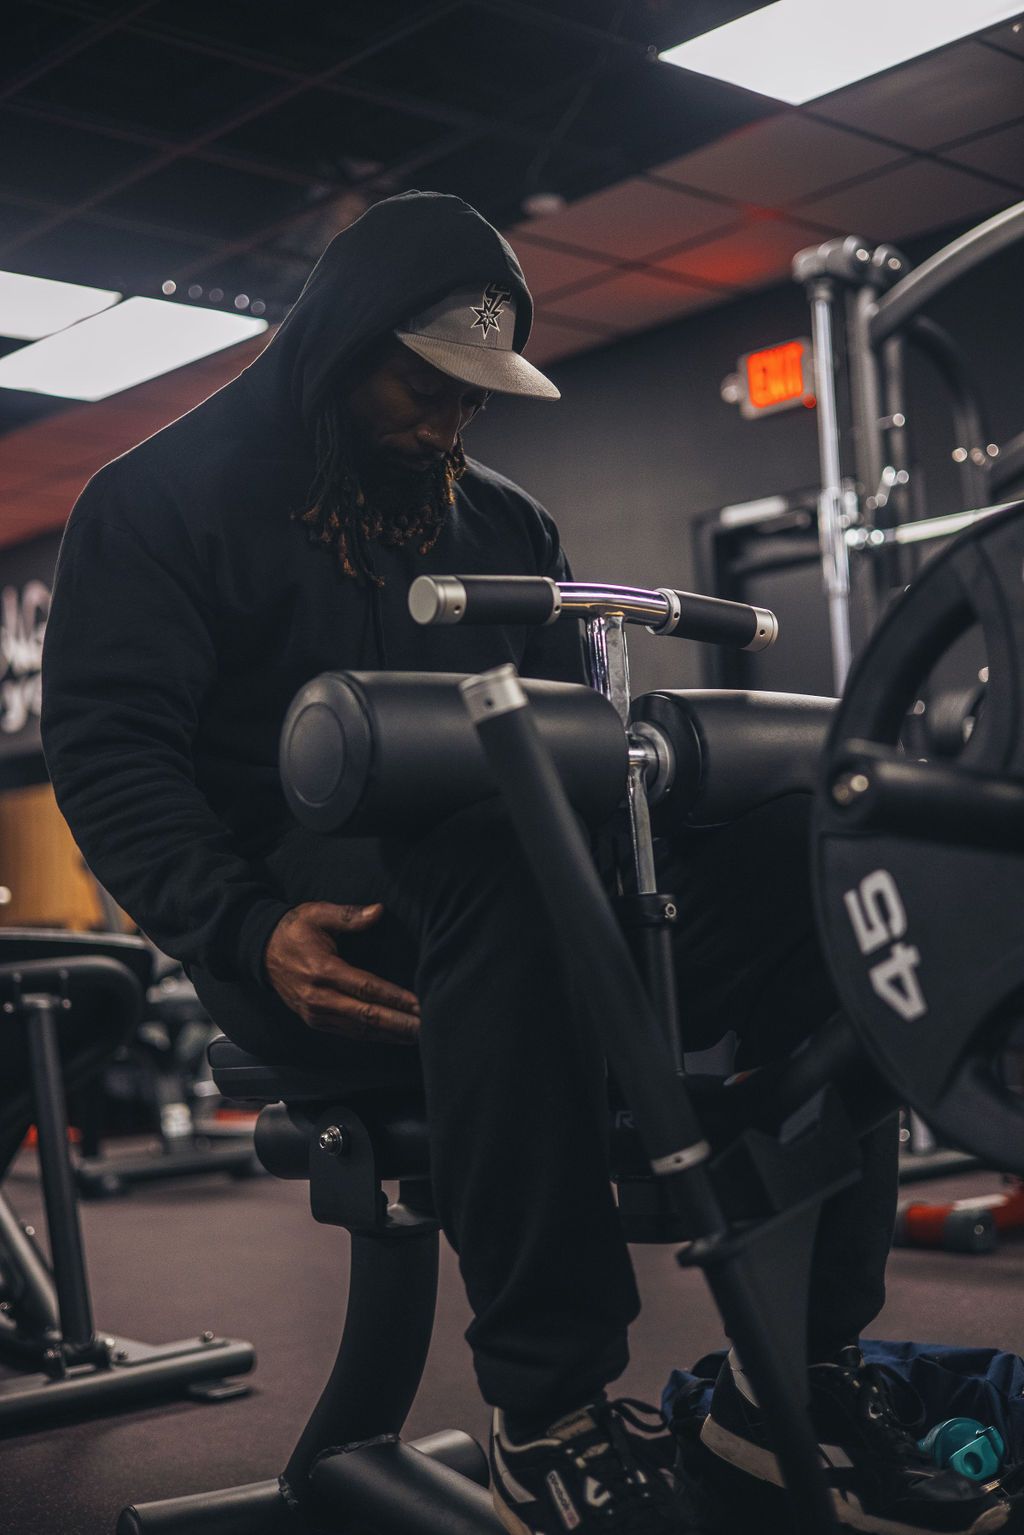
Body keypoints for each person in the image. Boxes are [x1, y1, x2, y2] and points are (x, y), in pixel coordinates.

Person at [41, 192, 1006, 1535]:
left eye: (472, 401)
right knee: (502, 842)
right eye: (421, 388)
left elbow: (578, 762)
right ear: (337, 348)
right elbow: (106, 752)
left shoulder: (500, 525)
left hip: (536, 920)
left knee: (813, 861)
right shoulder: (157, 501)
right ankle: (546, 1412)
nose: (448, 423)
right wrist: (240, 925)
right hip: (316, 937)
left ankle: (786, 1382)